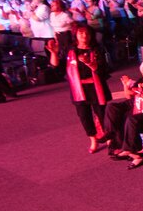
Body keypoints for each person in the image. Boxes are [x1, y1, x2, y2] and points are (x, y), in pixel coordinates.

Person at [46, 23, 111, 153]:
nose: (84, 36)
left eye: (87, 33)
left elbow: (104, 71)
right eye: (81, 33)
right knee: (84, 116)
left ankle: (110, 138)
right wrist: (54, 53)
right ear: (76, 35)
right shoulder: (70, 51)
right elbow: (56, 67)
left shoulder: (97, 49)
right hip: (78, 89)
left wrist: (90, 64)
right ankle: (93, 139)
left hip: (96, 87)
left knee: (102, 114)